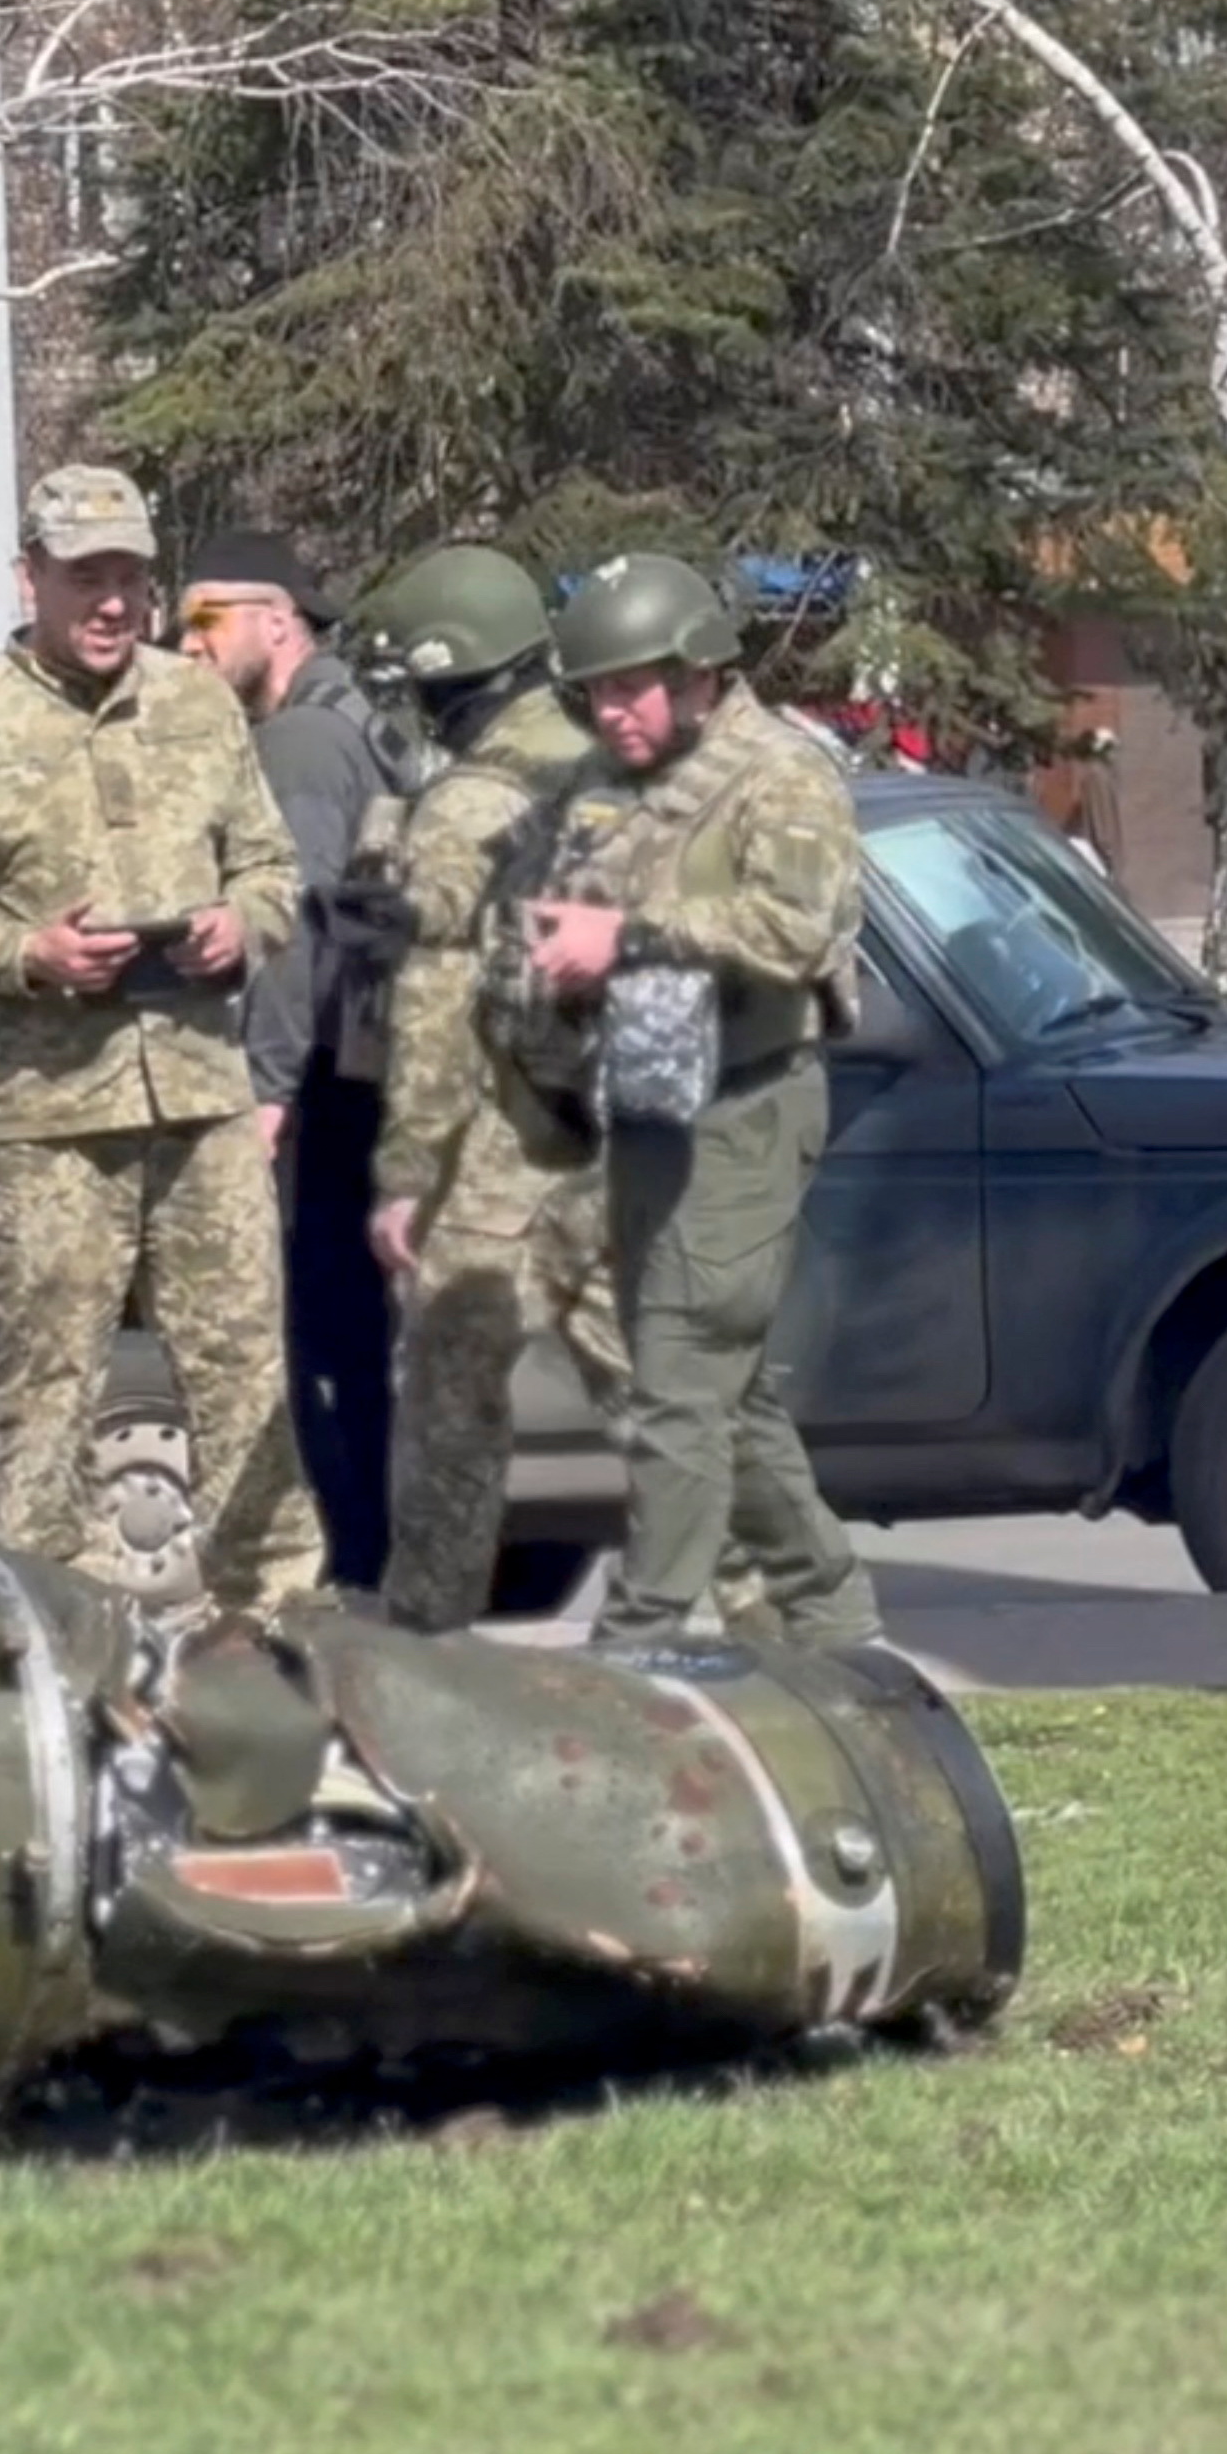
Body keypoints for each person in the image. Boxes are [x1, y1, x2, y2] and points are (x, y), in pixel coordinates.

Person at [0, 463, 323, 1610]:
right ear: (32, 578)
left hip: (200, 1101)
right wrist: (30, 953)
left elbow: (271, 866)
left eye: (130, 576)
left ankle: (277, 1629)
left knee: (243, 1375)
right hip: (54, 1121)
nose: (113, 602)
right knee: (48, 1391)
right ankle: (55, 1639)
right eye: (86, 578)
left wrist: (243, 923)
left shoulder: (199, 704)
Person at [534, 554, 882, 1657]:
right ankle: (829, 1613)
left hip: (747, 1108)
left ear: (697, 673)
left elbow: (794, 931)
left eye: (629, 685)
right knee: (717, 1388)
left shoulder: (779, 775)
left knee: (681, 1379)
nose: (608, 710)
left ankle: (635, 1639)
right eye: (592, 691)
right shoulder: (610, 779)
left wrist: (626, 934)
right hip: (643, 1100)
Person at [352, 544, 622, 1632]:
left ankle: (426, 1633)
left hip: (504, 1136)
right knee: (661, 1391)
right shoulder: (613, 764)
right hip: (628, 1123)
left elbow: (430, 997)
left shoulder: (464, 805)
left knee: (451, 1398)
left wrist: (408, 1167)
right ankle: (760, 1620)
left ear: (441, 680)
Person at [178, 528, 407, 1595]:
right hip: (359, 1076)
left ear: (277, 621)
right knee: (348, 1352)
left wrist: (267, 1087)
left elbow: (295, 927)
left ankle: (354, 1584)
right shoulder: (346, 722)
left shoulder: (301, 744)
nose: (186, 643)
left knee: (324, 1355)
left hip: (328, 1090)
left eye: (204, 619)